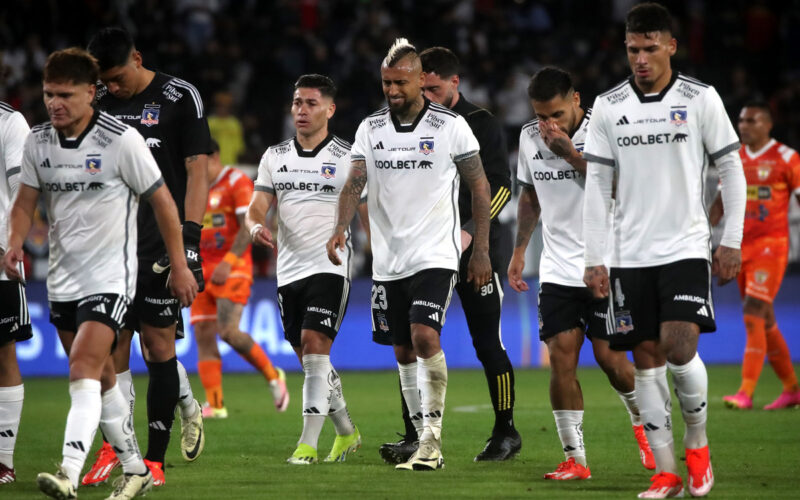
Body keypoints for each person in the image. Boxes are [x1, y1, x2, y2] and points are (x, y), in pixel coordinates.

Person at [4, 47, 197, 500]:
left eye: (65, 95)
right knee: (105, 378)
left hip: (112, 277)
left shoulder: (120, 140)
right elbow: (25, 203)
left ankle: (68, 470)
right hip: (63, 279)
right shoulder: (38, 141)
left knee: (83, 366)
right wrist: (14, 242)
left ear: (91, 93)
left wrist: (182, 264)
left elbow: (164, 203)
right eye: (49, 94)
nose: (55, 104)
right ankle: (135, 468)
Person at [581, 4, 746, 498]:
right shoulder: (608, 106)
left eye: (651, 48)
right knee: (646, 359)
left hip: (685, 246)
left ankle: (697, 443)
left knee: (679, 346)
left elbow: (731, 171)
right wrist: (595, 256)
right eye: (634, 49)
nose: (641, 58)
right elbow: (597, 185)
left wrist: (731, 240)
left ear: (671, 45)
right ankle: (668, 471)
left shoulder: (700, 99)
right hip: (629, 254)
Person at [327, 38, 492, 471]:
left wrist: (481, 250)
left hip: (435, 253)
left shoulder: (450, 125)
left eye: (401, 82)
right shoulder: (370, 128)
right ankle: (420, 437)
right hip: (388, 259)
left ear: (421, 80)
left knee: (423, 336)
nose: (393, 90)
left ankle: (432, 444)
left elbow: (479, 186)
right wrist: (340, 229)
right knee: (402, 349)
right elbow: (354, 184)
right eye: (386, 82)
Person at [509, 67, 654, 480]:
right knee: (561, 359)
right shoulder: (528, 137)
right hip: (556, 269)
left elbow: (620, 189)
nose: (547, 125)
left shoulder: (606, 130)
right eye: (540, 116)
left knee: (611, 360)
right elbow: (531, 194)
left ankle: (643, 426)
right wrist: (520, 250)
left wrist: (570, 154)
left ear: (576, 99)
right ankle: (576, 459)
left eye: (555, 114)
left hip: (605, 264)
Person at [84, 27, 211, 486]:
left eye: (117, 78)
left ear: (137, 58)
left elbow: (198, 169)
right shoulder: (94, 100)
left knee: (157, 347)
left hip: (160, 245)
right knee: (108, 353)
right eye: (105, 81)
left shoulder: (180, 96)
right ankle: (115, 449)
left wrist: (190, 243)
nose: (111, 88)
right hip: (109, 246)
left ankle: (154, 460)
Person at [396, 45, 517, 463]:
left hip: (473, 253)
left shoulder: (481, 124)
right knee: (411, 341)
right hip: (426, 252)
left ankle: (506, 431)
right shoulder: (408, 124)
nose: (426, 96)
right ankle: (415, 434)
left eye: (433, 88)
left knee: (487, 343)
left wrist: (469, 236)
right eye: (421, 88)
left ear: (454, 83)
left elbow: (500, 187)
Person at [246, 74, 363, 465]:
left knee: (315, 347)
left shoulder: (349, 156)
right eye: (297, 102)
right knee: (311, 359)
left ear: (330, 109)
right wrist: (255, 226)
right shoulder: (274, 156)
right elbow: (258, 205)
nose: (301, 110)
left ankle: (307, 445)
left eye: (311, 103)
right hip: (289, 269)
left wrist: (377, 248)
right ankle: (347, 433)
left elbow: (366, 209)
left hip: (331, 265)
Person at [709, 102, 800, 410]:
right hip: (740, 250)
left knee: (753, 311)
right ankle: (791, 388)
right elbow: (720, 205)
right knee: (766, 319)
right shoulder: (734, 159)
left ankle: (745, 392)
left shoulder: (787, 158)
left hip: (772, 247)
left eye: (751, 120)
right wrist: (703, 243)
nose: (743, 126)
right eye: (741, 120)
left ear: (768, 124)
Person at [190, 139, 288, 418]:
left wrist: (229, 262)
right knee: (204, 337)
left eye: (198, 161)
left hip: (232, 268)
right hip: (200, 270)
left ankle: (273, 375)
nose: (194, 168)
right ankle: (216, 404)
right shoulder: (194, 186)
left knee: (228, 332)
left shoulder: (236, 182)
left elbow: (248, 227)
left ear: (214, 157)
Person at [0, 97, 31, 485]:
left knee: (3, 355)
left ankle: (3, 460)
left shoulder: (9, 122)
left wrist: (9, 246)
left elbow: (23, 193)